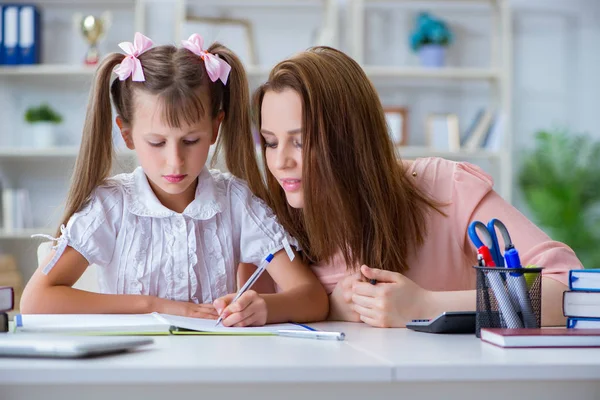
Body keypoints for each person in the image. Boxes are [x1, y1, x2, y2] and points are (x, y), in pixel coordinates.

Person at [250, 46, 582, 328]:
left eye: (300, 141)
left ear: (349, 138)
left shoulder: (445, 188)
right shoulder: (267, 221)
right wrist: (330, 309)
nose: (280, 163)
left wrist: (426, 305)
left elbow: (571, 289)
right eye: (270, 142)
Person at [20, 33, 328, 327]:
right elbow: (36, 300)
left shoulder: (237, 202)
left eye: (191, 140)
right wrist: (154, 305)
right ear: (127, 134)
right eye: (157, 143)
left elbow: (312, 297)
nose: (175, 161)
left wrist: (264, 307)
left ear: (215, 128)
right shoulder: (110, 206)